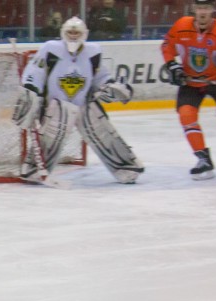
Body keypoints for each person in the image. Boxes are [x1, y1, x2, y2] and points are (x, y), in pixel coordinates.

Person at [12, 16, 144, 184]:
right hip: (56, 106)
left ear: (84, 34)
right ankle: (34, 169)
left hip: (83, 104)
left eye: (77, 33)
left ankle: (126, 167)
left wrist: (110, 85)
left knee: (102, 132)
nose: (73, 36)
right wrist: (30, 90)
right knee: (52, 135)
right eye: (70, 32)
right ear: (63, 33)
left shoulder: (93, 51)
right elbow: (35, 71)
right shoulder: (51, 48)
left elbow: (100, 76)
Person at [161, 0, 216, 180]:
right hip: (190, 81)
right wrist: (172, 66)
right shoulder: (181, 25)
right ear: (193, 9)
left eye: (207, 8)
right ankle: (203, 159)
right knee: (186, 115)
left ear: (213, 10)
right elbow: (167, 47)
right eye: (200, 8)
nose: (203, 12)